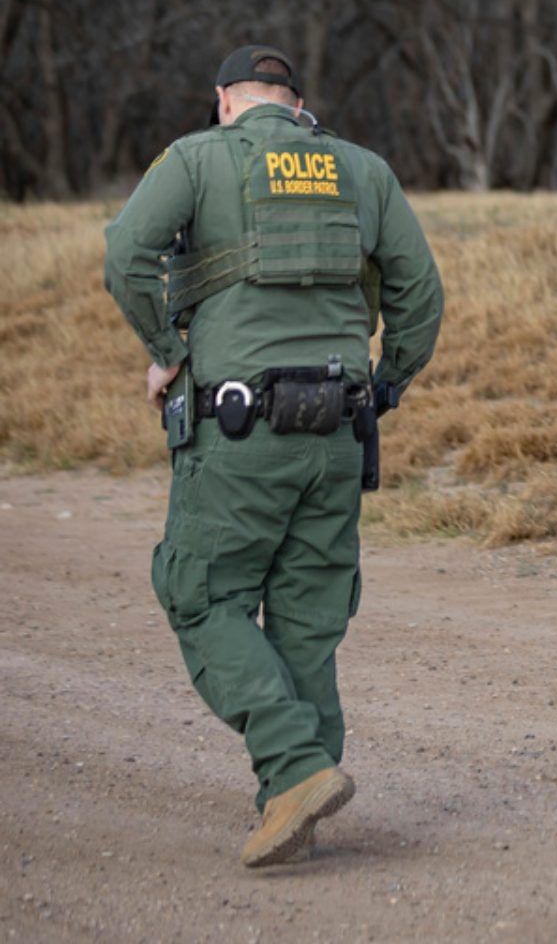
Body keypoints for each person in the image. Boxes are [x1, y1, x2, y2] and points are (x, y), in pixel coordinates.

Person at [102, 45, 443, 867]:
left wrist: (166, 350)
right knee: (307, 623)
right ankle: (297, 800)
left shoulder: (196, 156)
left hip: (238, 428)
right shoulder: (362, 169)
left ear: (224, 100)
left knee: (201, 594)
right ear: (297, 104)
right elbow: (419, 296)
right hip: (337, 426)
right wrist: (384, 386)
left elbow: (126, 256)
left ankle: (293, 773)